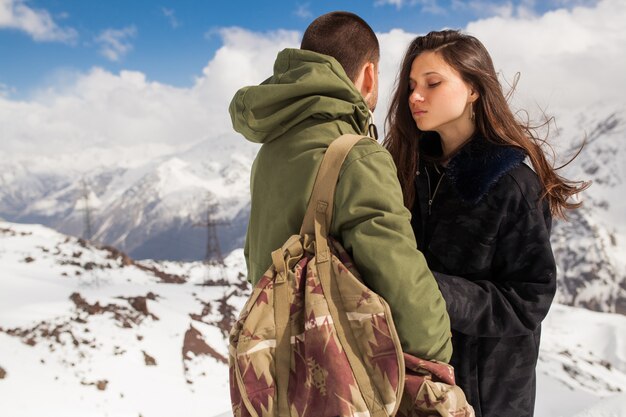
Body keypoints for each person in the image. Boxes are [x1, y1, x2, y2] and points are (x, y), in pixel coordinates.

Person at [383, 30, 589, 417]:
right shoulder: (409, 171)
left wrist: (431, 289)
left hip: (487, 395)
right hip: (417, 385)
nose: (415, 96)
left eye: (433, 83)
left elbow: (528, 300)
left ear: (474, 89)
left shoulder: (510, 184)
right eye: (411, 85)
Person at [229, 12, 452, 362]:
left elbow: (256, 260)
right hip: (341, 371)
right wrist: (438, 352)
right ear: (369, 75)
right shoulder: (356, 156)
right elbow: (400, 280)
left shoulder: (271, 150)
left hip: (281, 367)